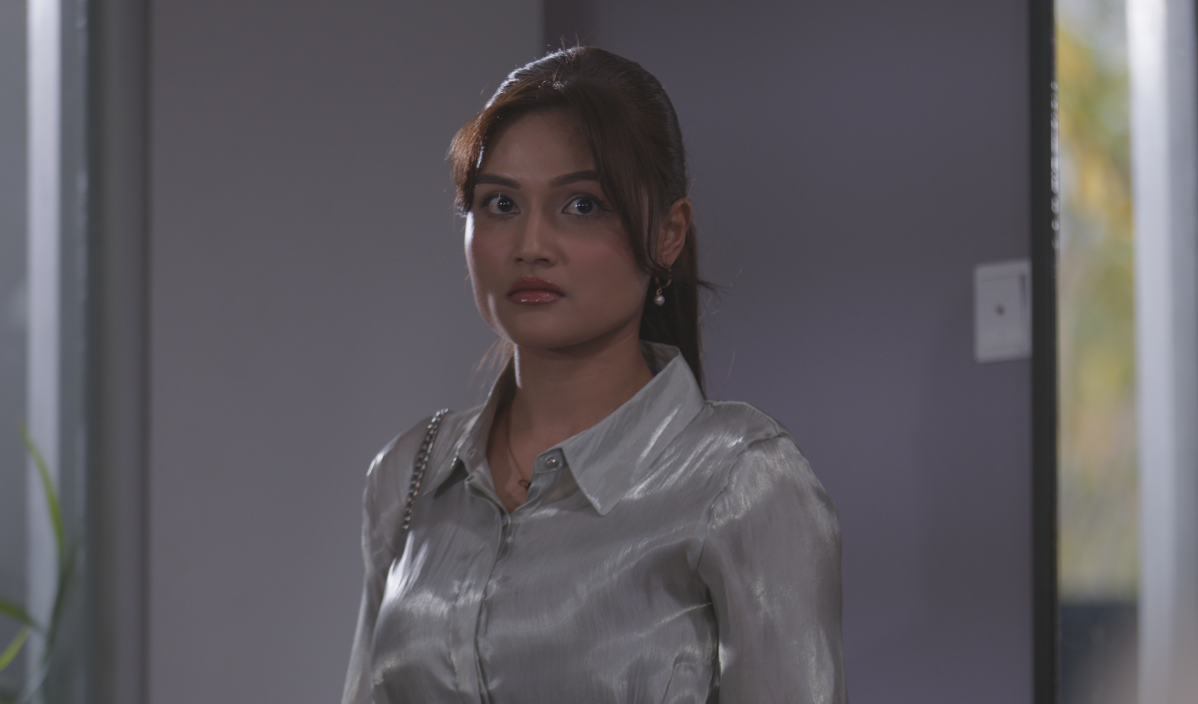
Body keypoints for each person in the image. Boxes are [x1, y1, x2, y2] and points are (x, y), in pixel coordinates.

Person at [342, 46, 845, 704]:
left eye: (582, 205)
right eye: (500, 203)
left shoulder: (743, 480)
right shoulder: (409, 472)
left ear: (667, 234)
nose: (530, 246)